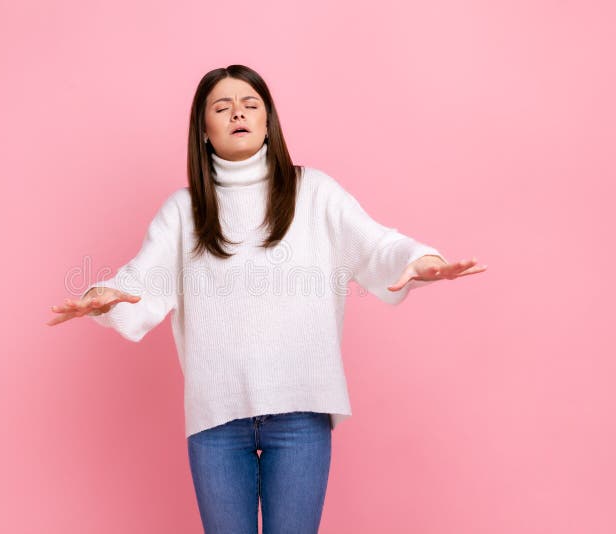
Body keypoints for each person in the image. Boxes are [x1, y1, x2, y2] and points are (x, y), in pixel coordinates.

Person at [48, 65, 486, 534]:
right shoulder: (185, 209)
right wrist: (102, 295)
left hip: (301, 412)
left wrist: (421, 259)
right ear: (203, 130)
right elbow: (141, 280)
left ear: (268, 121)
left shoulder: (313, 191)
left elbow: (377, 245)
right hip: (216, 420)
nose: (238, 112)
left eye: (250, 104)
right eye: (222, 106)